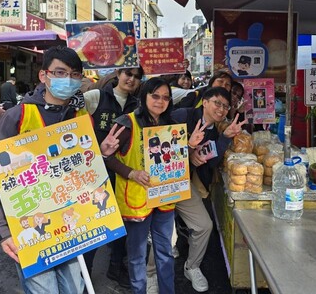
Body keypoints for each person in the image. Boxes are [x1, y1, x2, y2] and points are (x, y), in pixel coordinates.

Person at [0, 46, 86, 294]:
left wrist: (101, 152)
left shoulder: (79, 115)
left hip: (72, 223)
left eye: (74, 74)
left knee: (74, 289)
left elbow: (85, 166)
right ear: (44, 75)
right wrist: (1, 232)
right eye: (60, 72)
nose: (67, 80)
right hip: (30, 227)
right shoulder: (17, 116)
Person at [100, 77, 205, 294]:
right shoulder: (126, 123)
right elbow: (108, 159)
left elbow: (175, 160)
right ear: (144, 96)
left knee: (165, 251)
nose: (160, 101)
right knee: (138, 256)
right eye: (155, 96)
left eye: (165, 97)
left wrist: (189, 147)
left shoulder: (173, 126)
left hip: (165, 198)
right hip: (137, 200)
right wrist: (131, 172)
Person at [171, 87, 247, 292]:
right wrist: (186, 150)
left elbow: (211, 163)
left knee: (204, 225)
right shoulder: (181, 115)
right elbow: (157, 143)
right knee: (158, 232)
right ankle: (150, 275)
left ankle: (192, 266)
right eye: (217, 103)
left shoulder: (215, 131)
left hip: (183, 183)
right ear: (204, 102)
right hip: (160, 183)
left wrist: (226, 137)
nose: (221, 109)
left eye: (225, 106)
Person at [82, 66, 143, 287]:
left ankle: (116, 268)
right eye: (128, 74)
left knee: (120, 223)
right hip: (95, 171)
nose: (131, 79)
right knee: (95, 223)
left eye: (137, 77)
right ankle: (84, 275)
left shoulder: (138, 104)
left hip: (122, 170)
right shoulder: (96, 96)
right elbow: (74, 117)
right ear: (118, 74)